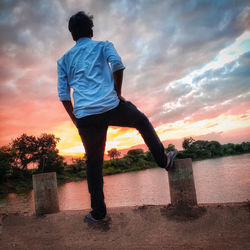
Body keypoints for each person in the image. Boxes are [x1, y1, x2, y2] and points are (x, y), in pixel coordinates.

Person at [57, 11, 177, 224]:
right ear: (91, 31)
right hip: (110, 106)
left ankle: (98, 214)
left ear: (72, 35)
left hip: (85, 116)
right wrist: (117, 92)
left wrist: (75, 119)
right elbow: (118, 65)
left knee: (93, 164)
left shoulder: (63, 60)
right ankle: (163, 160)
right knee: (141, 121)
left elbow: (64, 95)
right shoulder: (103, 45)